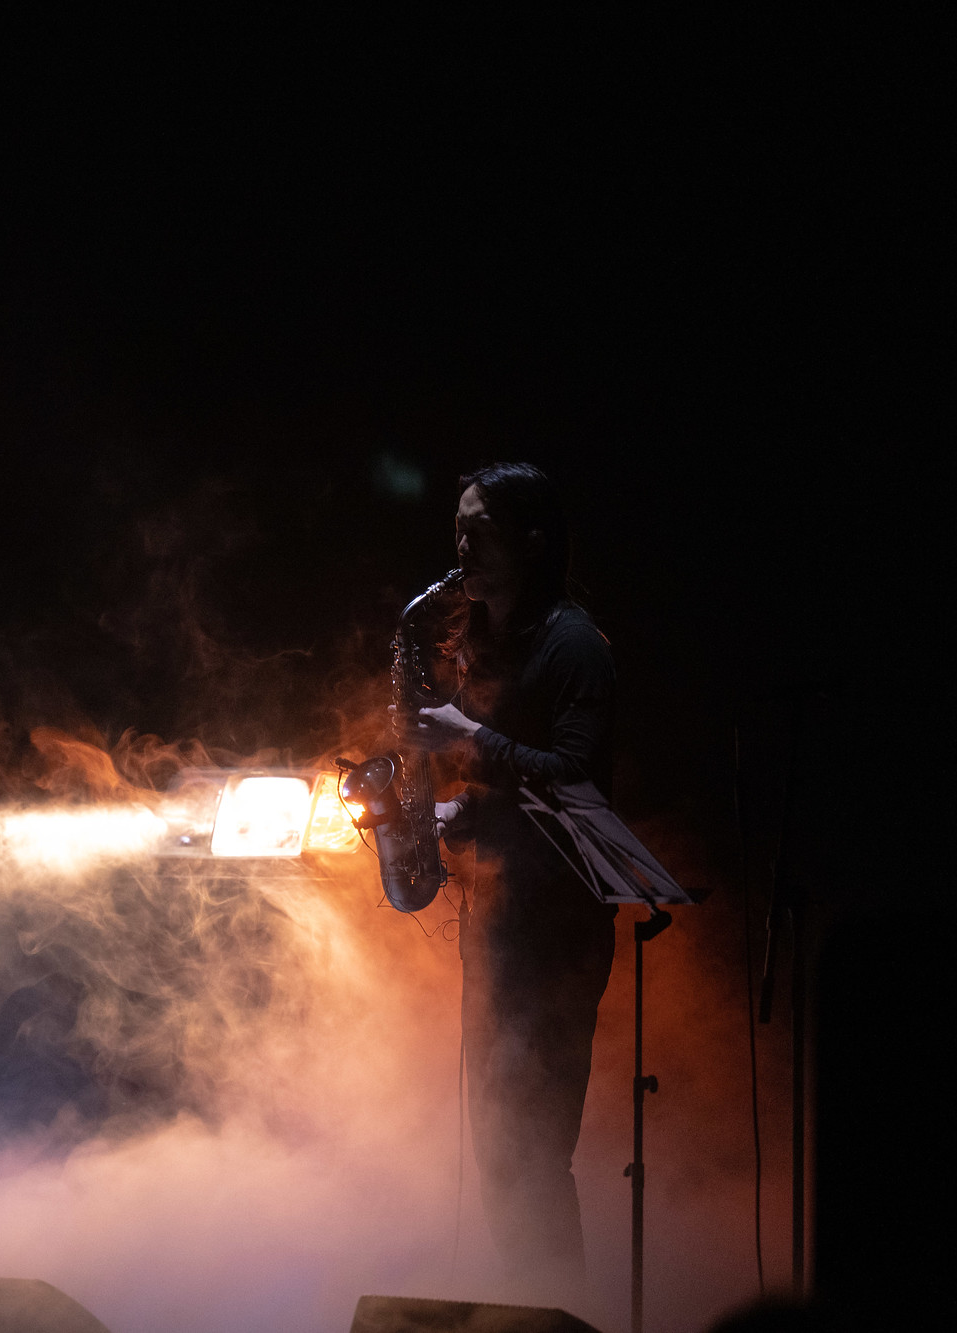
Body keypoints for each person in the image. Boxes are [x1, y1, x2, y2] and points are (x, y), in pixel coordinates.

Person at [400, 462, 616, 1300]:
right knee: (497, 1148)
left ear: (531, 540)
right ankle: (523, 1308)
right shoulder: (499, 643)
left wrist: (465, 736)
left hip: (553, 935)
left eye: (477, 530)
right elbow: (520, 796)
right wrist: (463, 816)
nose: (460, 548)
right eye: (457, 529)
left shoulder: (574, 644)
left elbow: (575, 781)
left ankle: (553, 1311)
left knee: (532, 1152)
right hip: (500, 926)